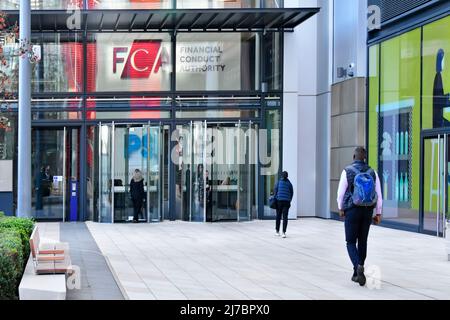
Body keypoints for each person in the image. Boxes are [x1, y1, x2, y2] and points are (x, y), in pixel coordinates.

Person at [337, 146, 383, 287]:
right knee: (362, 241)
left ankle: (358, 266)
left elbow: (340, 193)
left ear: (354, 157)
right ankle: (358, 270)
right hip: (367, 210)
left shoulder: (347, 171)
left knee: (350, 242)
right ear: (365, 158)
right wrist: (378, 213)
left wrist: (341, 208)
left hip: (352, 210)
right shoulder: (372, 172)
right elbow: (379, 195)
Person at [273, 171, 294, 238]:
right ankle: (283, 233)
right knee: (285, 217)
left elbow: (275, 191)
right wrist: (289, 200)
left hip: (279, 201)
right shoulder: (289, 183)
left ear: (282, 176)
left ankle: (277, 231)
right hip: (286, 202)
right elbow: (291, 193)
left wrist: (276, 198)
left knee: (278, 216)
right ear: (287, 176)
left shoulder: (278, 182)